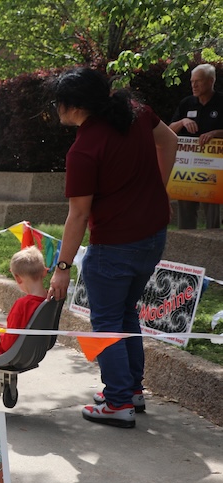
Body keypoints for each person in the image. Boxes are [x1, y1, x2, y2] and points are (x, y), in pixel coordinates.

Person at [48, 67, 177, 428]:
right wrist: (159, 190)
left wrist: (62, 269)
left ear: (74, 106)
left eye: (58, 101)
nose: (55, 107)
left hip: (114, 245)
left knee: (107, 320)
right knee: (125, 313)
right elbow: (169, 141)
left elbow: (78, 215)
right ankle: (130, 390)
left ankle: (118, 402)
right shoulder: (135, 111)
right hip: (152, 235)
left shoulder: (84, 150)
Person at [168, 64, 223, 229]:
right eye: (192, 81)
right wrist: (183, 121)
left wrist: (215, 133)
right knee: (186, 206)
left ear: (211, 81)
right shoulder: (187, 103)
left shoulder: (221, 102)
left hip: (214, 167)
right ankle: (186, 242)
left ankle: (213, 241)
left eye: (198, 81)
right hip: (188, 167)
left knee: (212, 206)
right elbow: (169, 130)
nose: (194, 85)